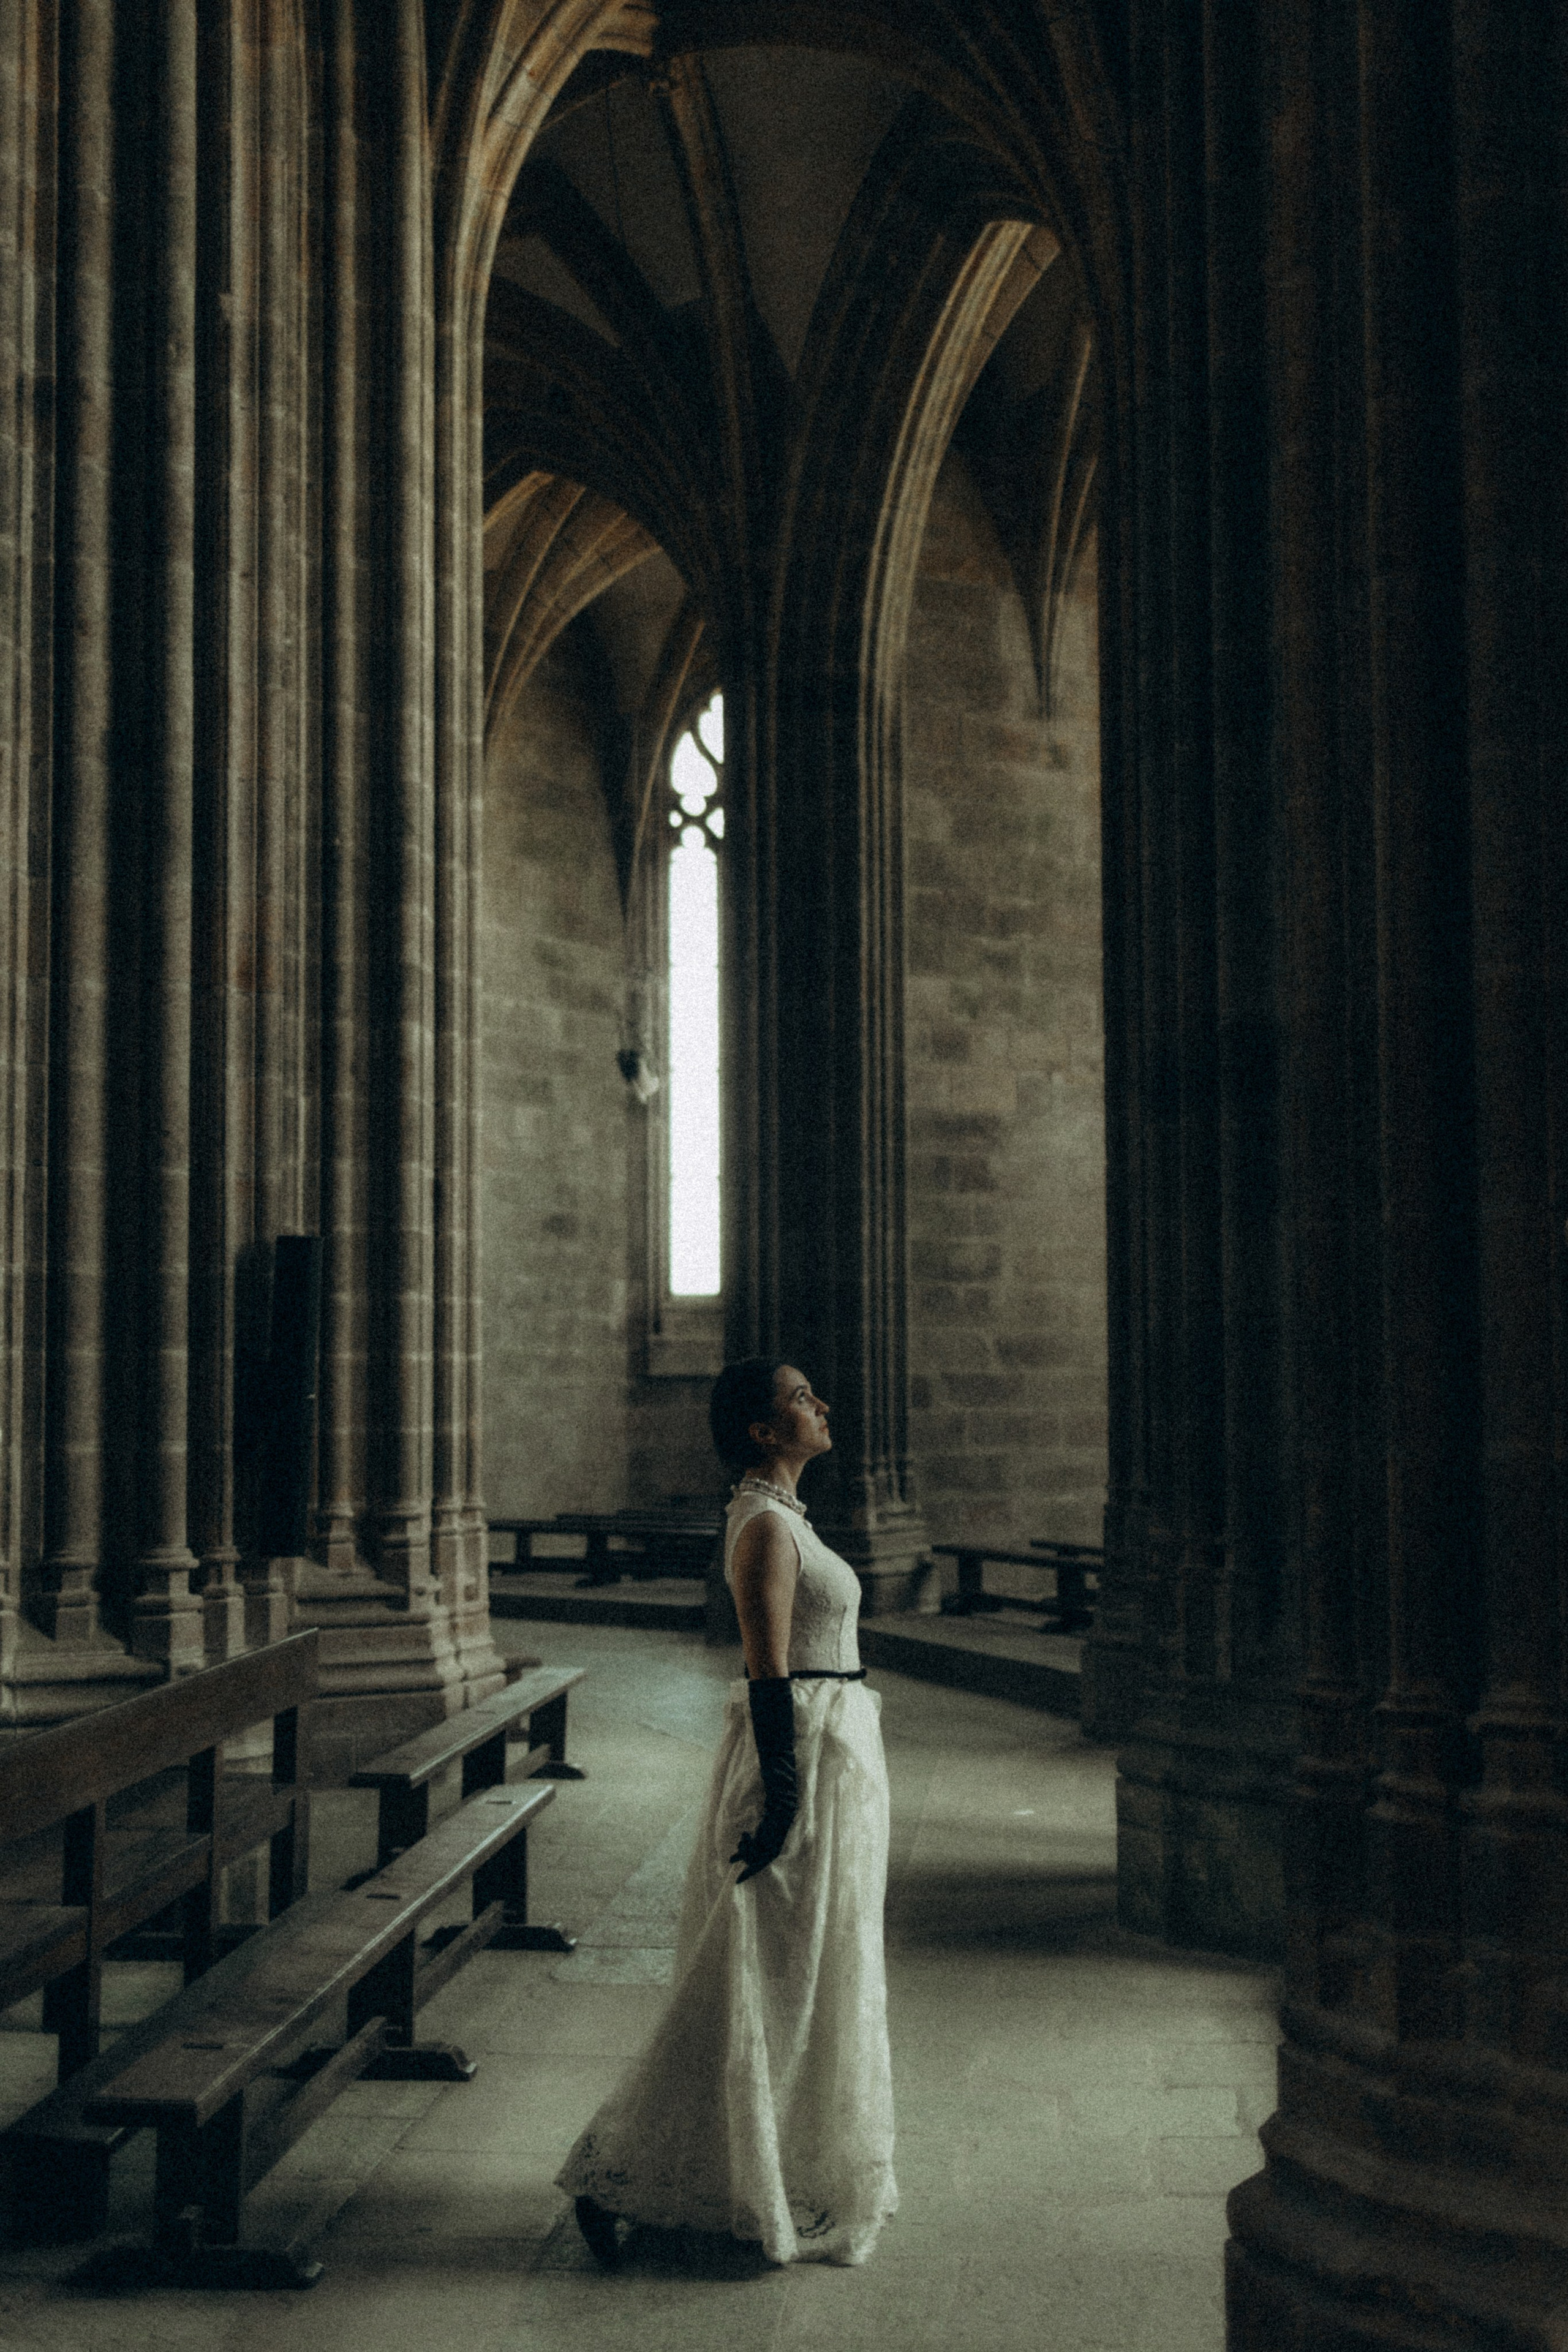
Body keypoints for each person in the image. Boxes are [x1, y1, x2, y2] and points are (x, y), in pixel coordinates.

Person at [554, 1357, 897, 2269]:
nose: (821, 1404)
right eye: (799, 1398)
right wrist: (782, 1793)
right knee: (749, 1978)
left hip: (832, 1752)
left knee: (806, 1974)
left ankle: (757, 2172)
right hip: (796, 1762)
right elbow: (766, 1663)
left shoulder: (785, 1517)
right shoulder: (760, 1527)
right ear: (761, 1430)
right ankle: (615, 2173)